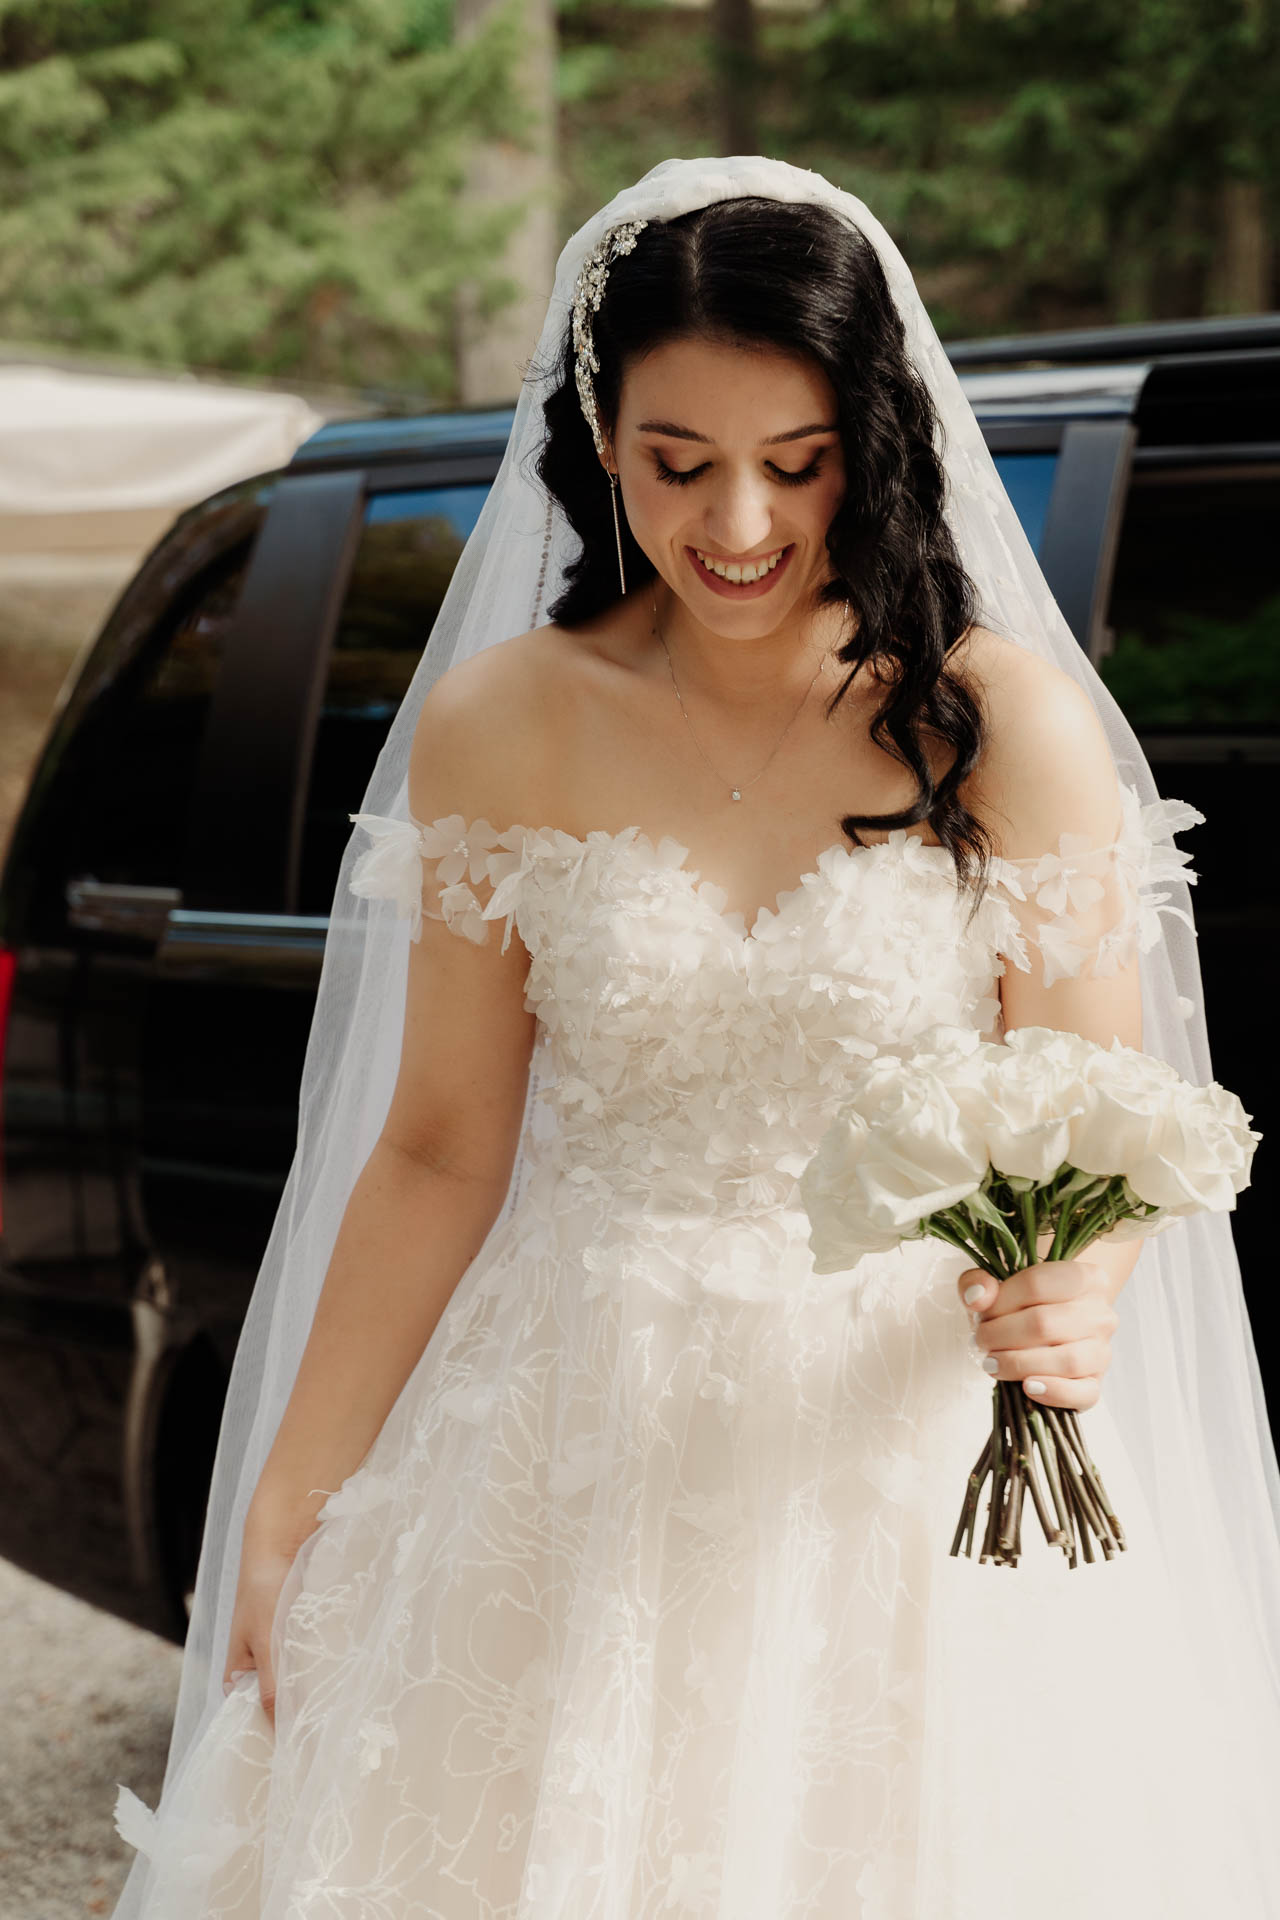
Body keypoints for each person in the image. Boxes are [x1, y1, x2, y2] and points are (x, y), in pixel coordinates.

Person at [110, 158, 1280, 1918]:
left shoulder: (1000, 725)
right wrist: (291, 1491)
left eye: (796, 464)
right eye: (678, 464)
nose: (739, 521)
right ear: (601, 438)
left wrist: (1075, 1288)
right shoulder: (506, 722)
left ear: (870, 443)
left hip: (891, 1460)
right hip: (567, 1431)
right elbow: (437, 1145)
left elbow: (1092, 1120)